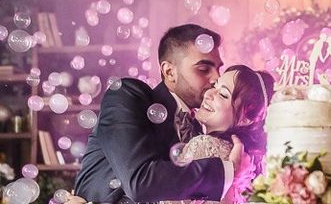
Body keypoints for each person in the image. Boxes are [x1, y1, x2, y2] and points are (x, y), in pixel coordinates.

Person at [73, 24, 249, 203]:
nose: (215, 78)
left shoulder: (199, 131)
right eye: (203, 69)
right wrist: (226, 170)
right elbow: (141, 182)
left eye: (218, 69)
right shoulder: (128, 95)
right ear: (169, 72)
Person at [161, 64, 275, 203]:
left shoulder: (206, 145)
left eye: (222, 94)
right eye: (215, 87)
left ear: (245, 119)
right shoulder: (249, 163)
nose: (209, 94)